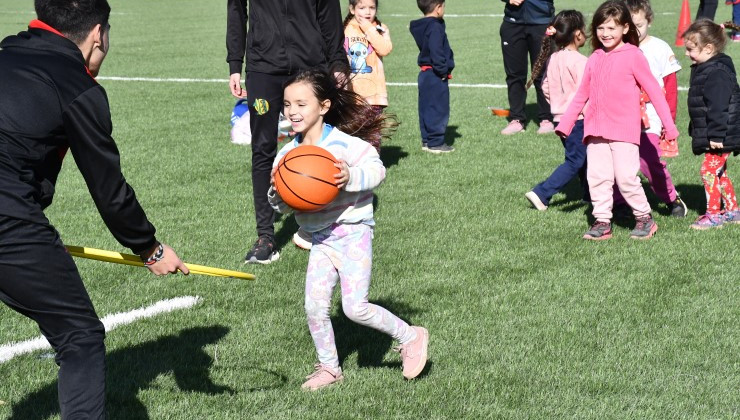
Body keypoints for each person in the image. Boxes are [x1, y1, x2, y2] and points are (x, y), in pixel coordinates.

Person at [0, 0, 188, 418]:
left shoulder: (6, 53)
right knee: (80, 336)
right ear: (98, 34)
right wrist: (150, 248)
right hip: (7, 217)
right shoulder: (78, 86)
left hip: (12, 216)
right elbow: (108, 189)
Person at [267, 69, 428, 390]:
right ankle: (329, 368)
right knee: (314, 306)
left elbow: (376, 170)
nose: (292, 112)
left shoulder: (344, 144)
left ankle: (411, 336)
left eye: (301, 103)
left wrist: (350, 177)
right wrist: (277, 191)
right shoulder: (286, 155)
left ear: (324, 106)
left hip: (353, 231)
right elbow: (284, 206)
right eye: (287, 105)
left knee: (354, 308)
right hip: (321, 239)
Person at [226, 0, 348, 263]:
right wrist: (235, 63)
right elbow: (236, 9)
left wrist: (337, 61)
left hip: (310, 63)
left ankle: (322, 224)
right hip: (263, 67)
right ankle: (265, 236)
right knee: (262, 149)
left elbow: (328, 9)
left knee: (318, 144)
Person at [555, 0, 679, 240]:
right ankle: (602, 221)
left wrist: (669, 126)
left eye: (611, 28)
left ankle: (644, 218)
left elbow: (654, 91)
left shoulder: (634, 55)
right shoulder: (595, 57)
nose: (605, 33)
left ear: (624, 28)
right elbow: (582, 93)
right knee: (597, 177)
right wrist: (566, 123)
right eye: (601, 28)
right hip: (595, 130)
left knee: (625, 177)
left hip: (624, 130)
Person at [616, 0, 687, 217]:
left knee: (649, 159)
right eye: (629, 26)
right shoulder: (617, 48)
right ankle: (619, 203)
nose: (634, 31)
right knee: (616, 161)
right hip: (621, 115)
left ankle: (671, 198)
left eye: (639, 24)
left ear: (649, 21)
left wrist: (669, 121)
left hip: (651, 115)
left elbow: (671, 88)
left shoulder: (659, 48)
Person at [524, 10, 590, 211]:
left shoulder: (554, 58)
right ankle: (542, 193)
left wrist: (557, 106)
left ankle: (590, 195)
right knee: (575, 160)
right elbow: (586, 91)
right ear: (578, 34)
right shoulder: (580, 61)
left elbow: (544, 86)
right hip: (578, 120)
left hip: (559, 120)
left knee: (584, 159)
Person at [682, 19, 740, 229]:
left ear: (708, 48)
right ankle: (733, 211)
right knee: (719, 171)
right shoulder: (707, 67)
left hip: (721, 135)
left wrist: (716, 135)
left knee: (708, 170)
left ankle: (714, 214)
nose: (686, 54)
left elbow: (718, 107)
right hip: (719, 133)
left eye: (690, 49)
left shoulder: (716, 72)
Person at [499, 0, 555, 135]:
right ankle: (516, 119)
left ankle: (546, 118)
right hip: (512, 23)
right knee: (514, 74)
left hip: (541, 22)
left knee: (543, 73)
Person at [343, 0, 392, 151]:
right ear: (352, 9)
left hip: (374, 95)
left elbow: (384, 49)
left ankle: (372, 167)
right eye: (362, 8)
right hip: (352, 94)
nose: (367, 12)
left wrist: (368, 28)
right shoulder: (345, 29)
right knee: (352, 134)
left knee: (372, 135)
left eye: (372, 8)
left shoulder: (379, 28)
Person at [410, 0, 456, 153]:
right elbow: (436, 51)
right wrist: (443, 71)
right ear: (438, 8)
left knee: (426, 108)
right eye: (443, 6)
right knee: (438, 108)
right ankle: (436, 143)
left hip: (424, 74)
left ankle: (427, 140)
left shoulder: (423, 26)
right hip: (435, 74)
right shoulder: (435, 27)